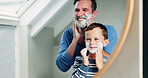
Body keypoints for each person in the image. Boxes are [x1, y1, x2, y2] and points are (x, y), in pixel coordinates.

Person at [56, 0, 117, 74]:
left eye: (85, 10)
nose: (79, 14)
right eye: (77, 10)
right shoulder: (68, 34)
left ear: (94, 14)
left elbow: (113, 63)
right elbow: (62, 67)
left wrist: (90, 36)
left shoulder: (108, 30)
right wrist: (75, 40)